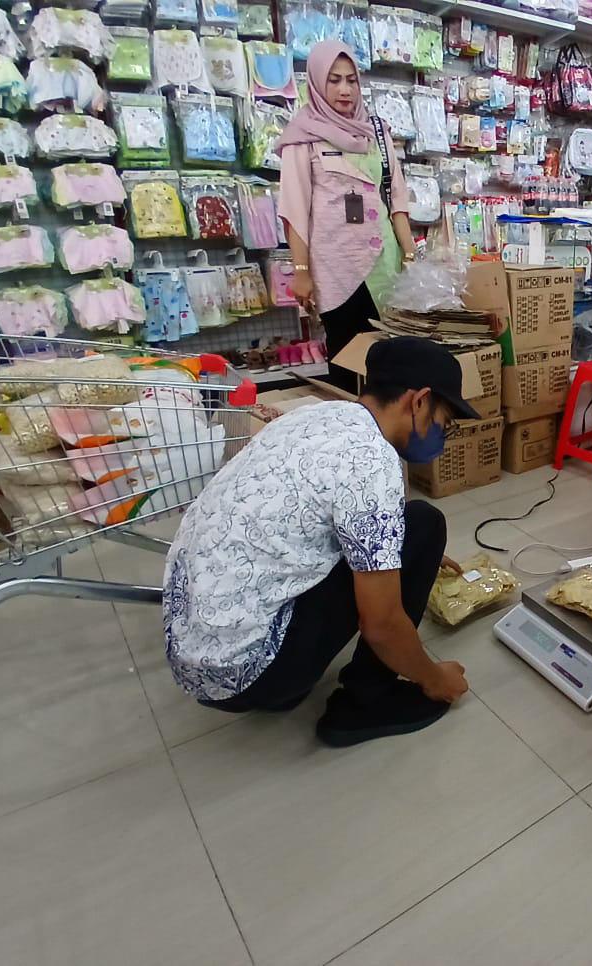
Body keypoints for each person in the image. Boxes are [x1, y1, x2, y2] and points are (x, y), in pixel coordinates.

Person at [163, 336, 476, 746]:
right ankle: (366, 703)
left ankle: (281, 683)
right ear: (419, 402)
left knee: (403, 530)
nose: (441, 434)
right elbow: (381, 626)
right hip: (246, 674)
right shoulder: (371, 462)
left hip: (194, 657)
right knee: (424, 523)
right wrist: (436, 679)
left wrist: (393, 547)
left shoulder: (314, 416)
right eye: (444, 422)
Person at [276, 40, 417, 388]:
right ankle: (349, 434)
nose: (344, 90)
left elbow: (395, 195)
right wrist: (302, 271)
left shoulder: (377, 132)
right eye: (334, 80)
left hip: (385, 263)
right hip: (336, 267)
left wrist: (409, 251)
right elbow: (294, 208)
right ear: (317, 83)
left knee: (388, 357)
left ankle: (385, 437)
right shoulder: (303, 137)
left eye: (351, 80)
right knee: (345, 358)